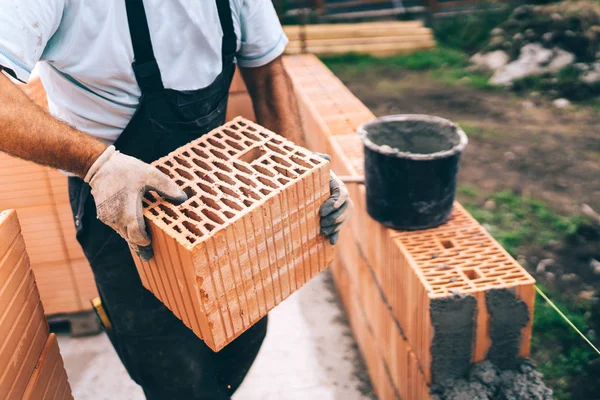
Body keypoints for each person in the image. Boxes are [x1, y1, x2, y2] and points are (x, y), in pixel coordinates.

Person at [0, 1, 351, 399]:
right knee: (170, 370)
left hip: (222, 193)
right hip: (119, 204)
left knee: (242, 335)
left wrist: (298, 172)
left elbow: (269, 74)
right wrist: (98, 165)